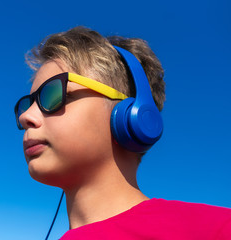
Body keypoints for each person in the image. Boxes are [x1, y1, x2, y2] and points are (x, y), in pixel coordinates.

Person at [14, 26, 231, 239]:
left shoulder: (218, 229)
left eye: (53, 94)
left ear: (130, 116)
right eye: (27, 104)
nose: (26, 117)